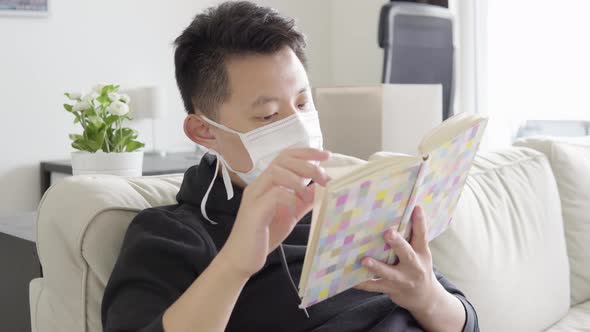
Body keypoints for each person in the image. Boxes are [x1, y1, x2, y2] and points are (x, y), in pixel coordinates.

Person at [101, 2, 478, 331]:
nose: (298, 127)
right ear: (204, 131)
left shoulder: (354, 200)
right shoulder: (172, 235)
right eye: (268, 115)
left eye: (302, 103)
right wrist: (236, 264)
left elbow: (468, 321)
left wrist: (425, 294)